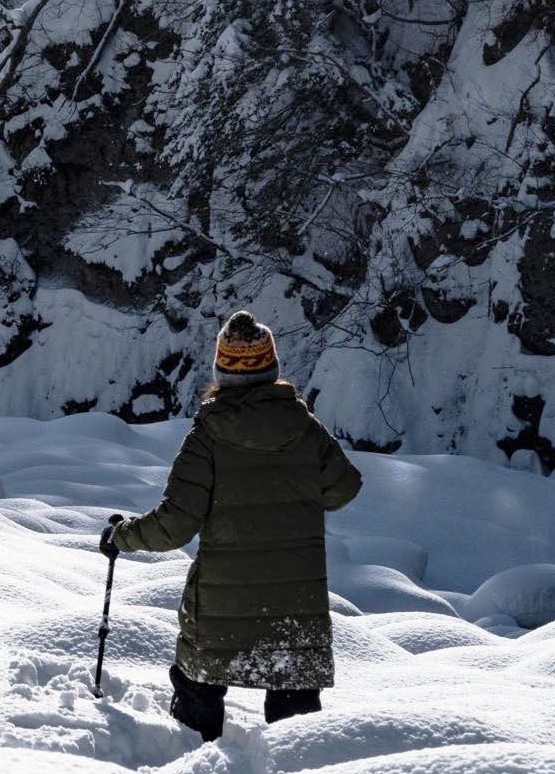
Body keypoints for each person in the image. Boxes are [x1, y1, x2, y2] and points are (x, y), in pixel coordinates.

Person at [104, 310, 363, 741]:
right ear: (272, 369)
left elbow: (175, 524)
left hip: (222, 608)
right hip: (294, 608)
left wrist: (121, 536)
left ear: (222, 372)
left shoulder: (208, 433)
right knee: (296, 731)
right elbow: (344, 488)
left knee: (198, 699)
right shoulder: (303, 426)